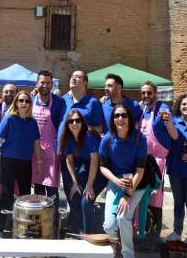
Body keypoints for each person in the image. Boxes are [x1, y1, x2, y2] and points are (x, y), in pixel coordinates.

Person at [0, 91, 42, 235]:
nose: (24, 103)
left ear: (30, 104)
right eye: (21, 101)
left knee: (25, 196)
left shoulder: (32, 122)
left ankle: (23, 228)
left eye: (27, 101)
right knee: (6, 196)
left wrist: (38, 161)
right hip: (8, 163)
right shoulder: (9, 119)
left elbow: (36, 143)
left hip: (25, 163)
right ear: (16, 103)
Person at [100, 105, 147, 258]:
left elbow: (140, 171)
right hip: (116, 182)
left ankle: (128, 254)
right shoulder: (108, 138)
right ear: (113, 119)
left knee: (123, 218)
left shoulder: (140, 138)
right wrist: (116, 180)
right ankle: (113, 248)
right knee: (109, 225)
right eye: (117, 116)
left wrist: (127, 195)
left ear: (129, 118)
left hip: (136, 182)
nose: (120, 119)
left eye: (124, 115)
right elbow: (103, 167)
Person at [139, 80, 177, 238]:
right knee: (141, 195)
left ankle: (154, 233)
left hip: (157, 162)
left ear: (155, 93)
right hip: (142, 160)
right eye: (143, 93)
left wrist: (168, 123)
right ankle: (142, 229)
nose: (146, 95)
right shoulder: (142, 109)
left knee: (155, 196)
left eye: (149, 93)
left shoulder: (163, 109)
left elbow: (174, 135)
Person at [165, 94, 187, 244]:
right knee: (178, 201)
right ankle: (177, 231)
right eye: (184, 104)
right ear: (179, 106)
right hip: (175, 169)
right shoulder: (174, 123)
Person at [60, 110, 100, 233]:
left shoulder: (89, 135)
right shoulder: (67, 137)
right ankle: (75, 224)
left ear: (82, 122)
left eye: (78, 120)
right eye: (71, 121)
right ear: (67, 124)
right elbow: (69, 161)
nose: (74, 123)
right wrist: (74, 183)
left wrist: (89, 185)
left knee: (86, 199)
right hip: (80, 164)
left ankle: (87, 231)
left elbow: (95, 161)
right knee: (74, 194)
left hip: (97, 167)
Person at [0, 82, 18, 237]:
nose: (8, 95)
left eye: (12, 92)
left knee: (12, 194)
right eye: (6, 92)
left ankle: (9, 228)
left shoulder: (22, 111)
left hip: (14, 159)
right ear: (1, 94)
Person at [31, 71, 65, 210]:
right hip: (34, 150)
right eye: (42, 82)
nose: (45, 85)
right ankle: (40, 221)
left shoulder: (59, 102)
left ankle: (54, 222)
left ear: (52, 84)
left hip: (52, 152)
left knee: (52, 190)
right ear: (37, 84)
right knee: (38, 188)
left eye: (48, 83)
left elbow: (63, 125)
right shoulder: (30, 100)